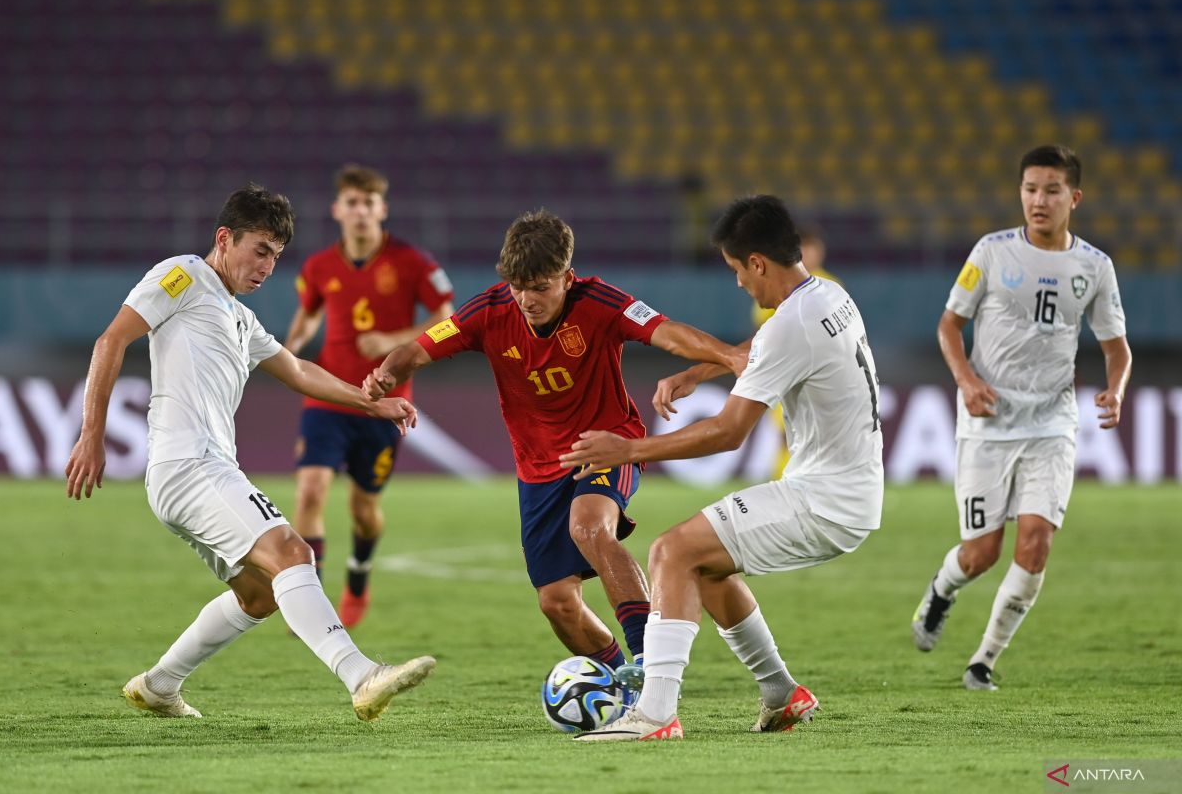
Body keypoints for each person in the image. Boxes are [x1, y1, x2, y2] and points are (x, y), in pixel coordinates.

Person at [64, 184, 435, 721]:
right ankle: (362, 676)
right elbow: (111, 341)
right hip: (191, 464)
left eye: (276, 257)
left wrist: (372, 404)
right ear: (224, 238)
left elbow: (299, 370)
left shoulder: (240, 318)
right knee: (294, 552)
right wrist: (90, 433)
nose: (266, 266)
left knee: (260, 593)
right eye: (259, 250)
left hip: (196, 472)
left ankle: (159, 684)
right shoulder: (184, 275)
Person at [361, 209, 745, 682]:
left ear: (567, 278)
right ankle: (621, 682)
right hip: (538, 467)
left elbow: (666, 332)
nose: (527, 299)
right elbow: (419, 348)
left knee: (589, 527)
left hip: (606, 444)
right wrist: (388, 373)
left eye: (540, 287)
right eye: (518, 286)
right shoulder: (489, 311)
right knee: (557, 602)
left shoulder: (601, 301)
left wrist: (726, 355)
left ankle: (650, 660)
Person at [559, 194, 884, 741]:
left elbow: (729, 433)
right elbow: (766, 344)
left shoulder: (792, 322)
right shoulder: (828, 295)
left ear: (758, 262)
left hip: (826, 499)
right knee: (707, 565)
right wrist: (700, 371)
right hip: (848, 490)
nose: (737, 283)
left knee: (671, 550)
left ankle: (656, 715)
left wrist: (628, 450)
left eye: (737, 270)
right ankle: (782, 694)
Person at [910, 145, 1131, 690]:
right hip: (987, 421)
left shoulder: (1094, 268)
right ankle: (942, 589)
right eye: (1031, 189)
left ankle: (982, 660)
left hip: (1052, 422)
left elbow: (1116, 348)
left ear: (1073, 198)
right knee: (982, 553)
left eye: (1052, 190)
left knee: (1034, 541)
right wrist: (966, 380)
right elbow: (947, 327)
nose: (1039, 200)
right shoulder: (990, 252)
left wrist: (1117, 390)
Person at [284, 164, 454, 628]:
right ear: (338, 210)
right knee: (311, 491)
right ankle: (310, 605)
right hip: (328, 397)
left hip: (384, 403)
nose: (360, 211)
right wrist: (287, 349)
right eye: (352, 203)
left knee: (363, 509)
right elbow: (308, 315)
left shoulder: (414, 262)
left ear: (382, 209)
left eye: (368, 203)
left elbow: (447, 319)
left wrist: (392, 341)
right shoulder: (318, 266)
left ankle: (359, 571)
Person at [749, 224, 839, 478]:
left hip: (820, 373)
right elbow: (763, 327)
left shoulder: (831, 283)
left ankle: (807, 484)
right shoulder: (779, 284)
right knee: (786, 434)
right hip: (784, 370)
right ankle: (783, 479)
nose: (812, 256)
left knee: (816, 435)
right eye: (807, 250)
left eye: (815, 250)